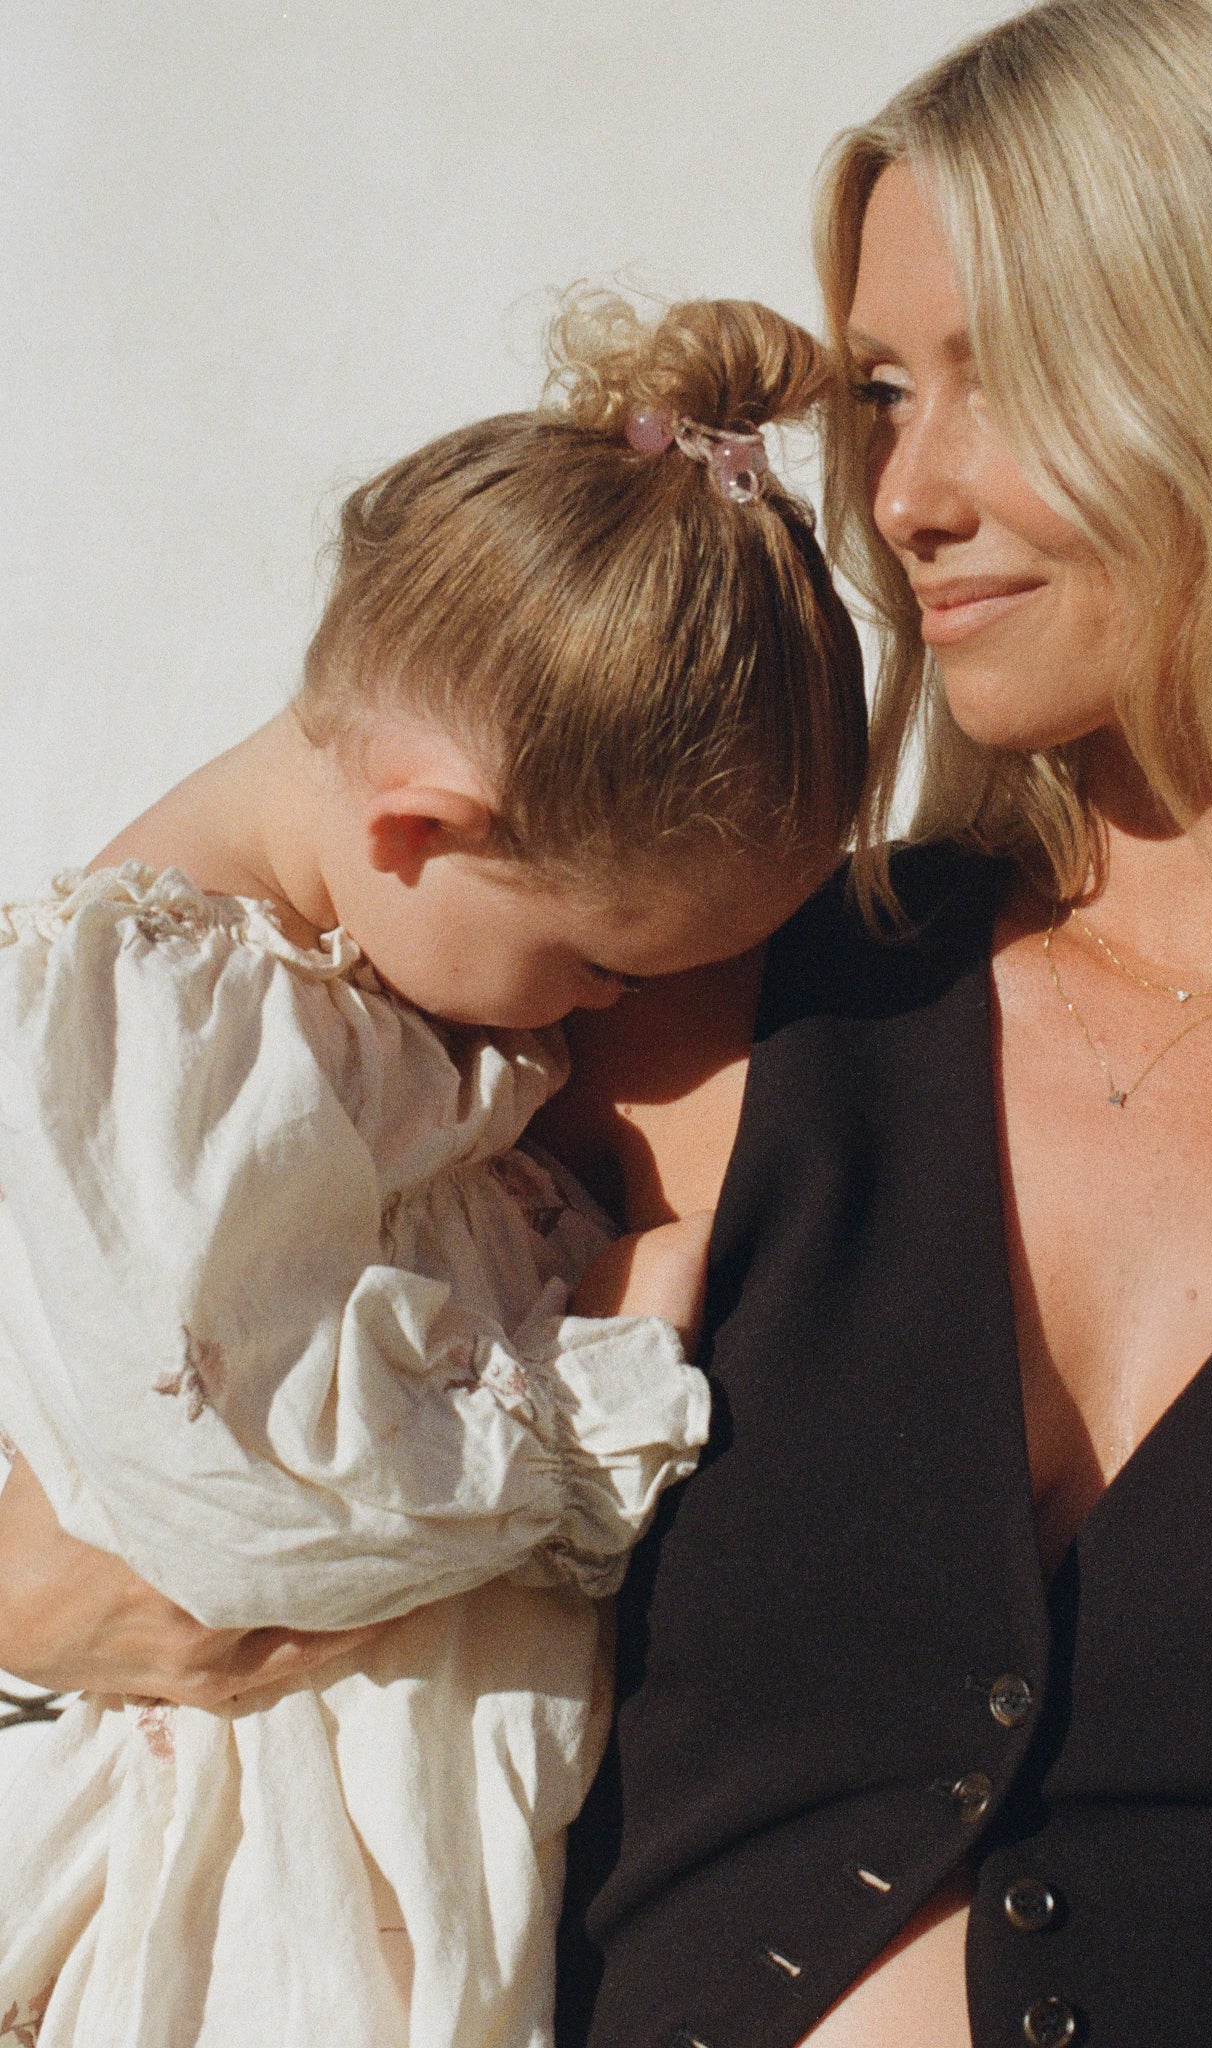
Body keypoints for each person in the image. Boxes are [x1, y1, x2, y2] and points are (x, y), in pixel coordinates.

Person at [3, 2, 1212, 2044]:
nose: (904, 491)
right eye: (878, 389)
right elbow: (126, 1091)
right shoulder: (700, 991)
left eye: (1008, 374)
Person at [0, 294, 865, 2048]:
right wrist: (611, 1338)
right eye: (600, 963)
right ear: (422, 826)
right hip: (271, 1861)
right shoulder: (167, 1030)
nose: (600, 1017)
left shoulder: (330, 990)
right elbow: (246, 1491)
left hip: (395, 1813)